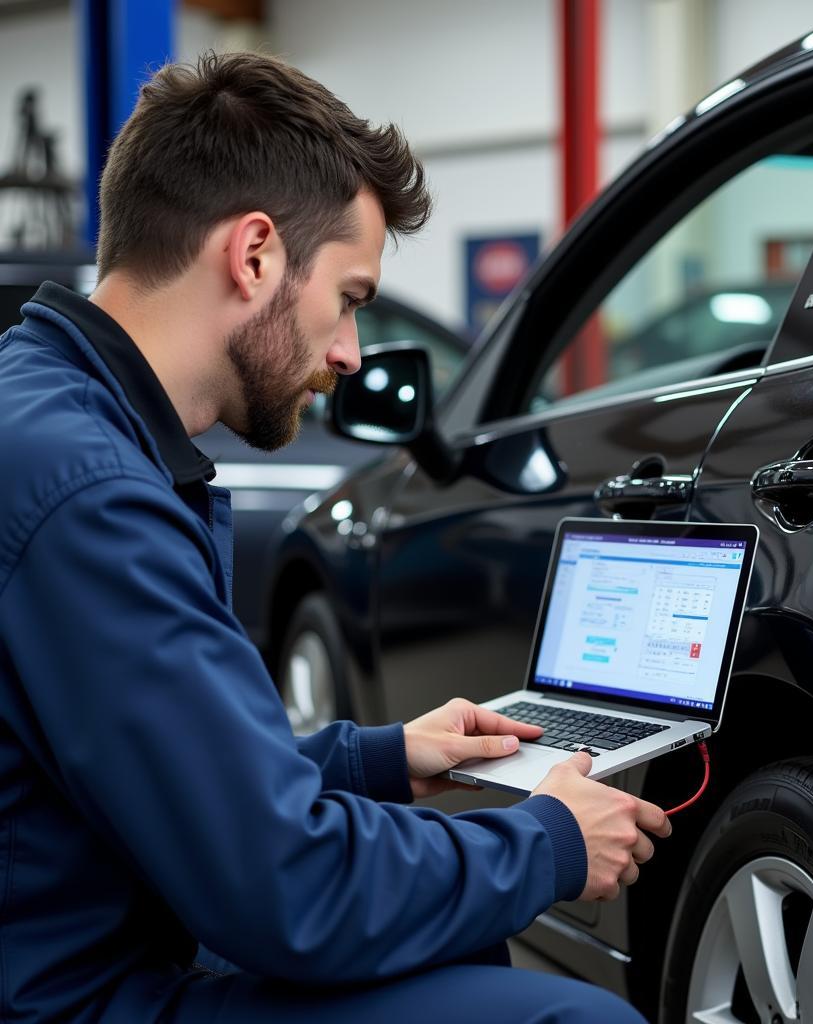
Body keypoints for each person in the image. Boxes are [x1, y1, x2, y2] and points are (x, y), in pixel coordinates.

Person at [0, 52, 670, 1023]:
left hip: (62, 956)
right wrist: (552, 840)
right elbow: (286, 890)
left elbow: (164, 781)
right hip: (76, 1000)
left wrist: (379, 757)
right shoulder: (91, 495)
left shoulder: (53, 416)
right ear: (256, 253)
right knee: (581, 1020)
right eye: (351, 298)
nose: (352, 352)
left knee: (457, 931)